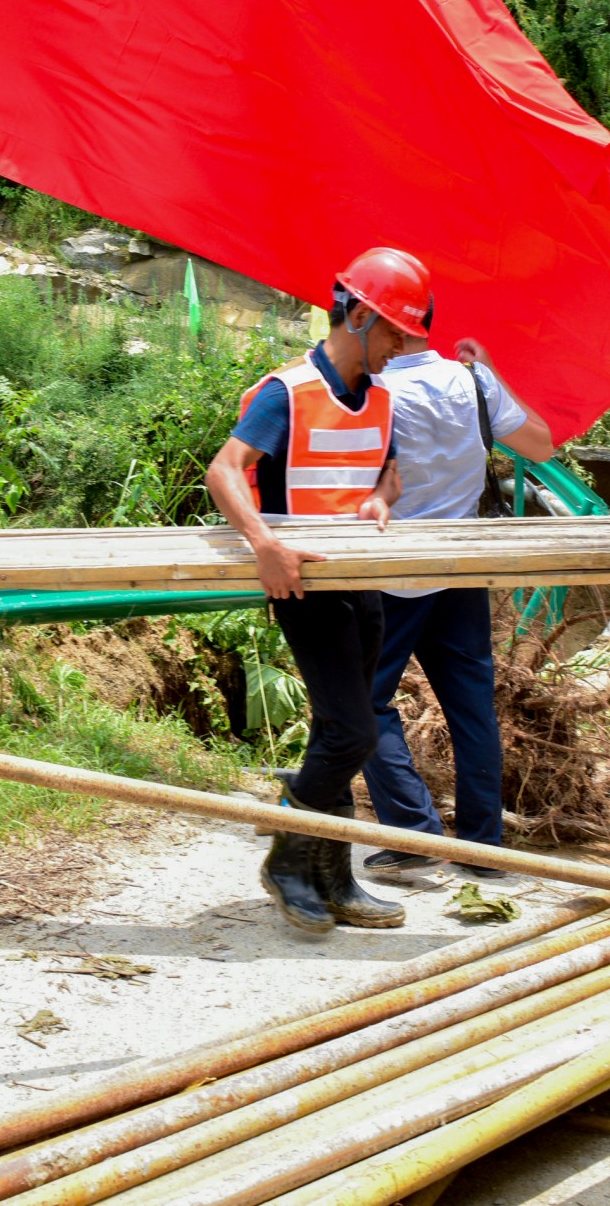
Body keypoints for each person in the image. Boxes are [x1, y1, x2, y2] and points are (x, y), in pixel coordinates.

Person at [204, 247, 429, 935]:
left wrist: (379, 501)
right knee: (355, 730)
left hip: (361, 581)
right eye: (395, 331)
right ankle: (286, 858)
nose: (401, 346)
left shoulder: (383, 396)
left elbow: (386, 472)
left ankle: (336, 879)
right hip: (305, 586)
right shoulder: (288, 391)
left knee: (343, 731)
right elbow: (226, 470)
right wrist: (264, 545)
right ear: (359, 315)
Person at [359, 332, 555, 881]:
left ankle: (414, 833)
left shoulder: (367, 387)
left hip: (391, 569)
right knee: (470, 706)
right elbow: (542, 445)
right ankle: (482, 847)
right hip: (462, 565)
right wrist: (492, 370)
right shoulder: (472, 380)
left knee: (359, 699)